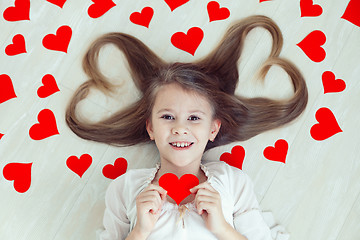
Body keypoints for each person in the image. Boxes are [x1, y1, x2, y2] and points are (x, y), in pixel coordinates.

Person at [66, 15, 308, 240]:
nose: (180, 128)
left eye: (194, 118)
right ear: (150, 127)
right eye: (168, 117)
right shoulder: (125, 188)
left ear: (213, 129)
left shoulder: (232, 182)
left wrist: (222, 228)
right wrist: (139, 231)